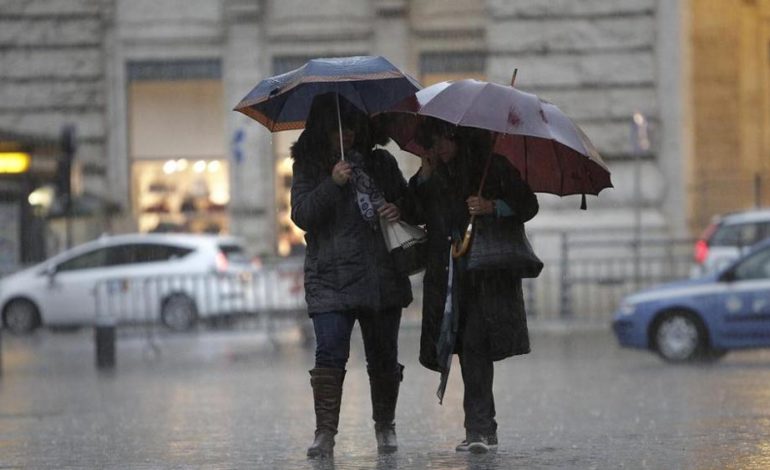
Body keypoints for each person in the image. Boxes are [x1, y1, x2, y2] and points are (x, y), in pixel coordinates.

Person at [290, 93, 413, 458]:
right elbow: (302, 215)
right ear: (323, 130)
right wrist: (332, 183)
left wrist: (398, 207)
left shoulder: (381, 163)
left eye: (354, 127)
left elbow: (410, 203)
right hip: (330, 277)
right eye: (339, 128)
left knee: (383, 358)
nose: (348, 135)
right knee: (329, 354)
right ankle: (324, 433)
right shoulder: (309, 167)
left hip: (380, 275)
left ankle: (385, 426)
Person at [408, 119, 539, 454]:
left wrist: (492, 207)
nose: (436, 150)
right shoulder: (433, 175)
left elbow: (528, 205)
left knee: (474, 346)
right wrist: (423, 177)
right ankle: (481, 428)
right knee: (462, 348)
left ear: (458, 139)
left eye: (441, 143)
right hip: (447, 275)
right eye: (432, 144)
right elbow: (413, 212)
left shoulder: (492, 168)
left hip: (483, 273)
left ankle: (480, 428)